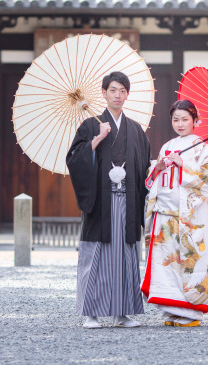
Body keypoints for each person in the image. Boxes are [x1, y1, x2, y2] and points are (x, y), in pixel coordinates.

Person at [66, 71, 152, 329]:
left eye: (123, 91)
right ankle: (90, 313)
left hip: (127, 200)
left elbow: (143, 168)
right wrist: (97, 139)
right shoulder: (90, 126)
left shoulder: (136, 130)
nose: (118, 95)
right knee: (96, 255)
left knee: (124, 256)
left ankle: (122, 313)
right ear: (103, 93)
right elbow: (74, 159)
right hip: (100, 202)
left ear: (127, 94)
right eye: (113, 90)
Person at [141, 99, 208, 327]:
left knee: (189, 262)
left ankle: (190, 313)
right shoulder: (167, 145)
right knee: (166, 263)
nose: (180, 123)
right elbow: (153, 181)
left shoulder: (202, 147)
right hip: (165, 214)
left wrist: (183, 167)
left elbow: (206, 180)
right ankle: (171, 309)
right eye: (175, 119)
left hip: (189, 216)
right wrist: (157, 169)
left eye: (185, 119)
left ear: (195, 120)